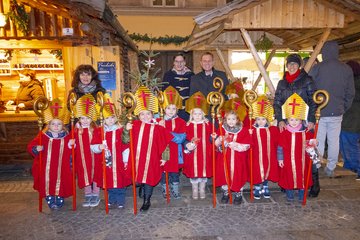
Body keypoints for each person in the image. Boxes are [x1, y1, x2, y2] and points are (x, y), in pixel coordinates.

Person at [273, 53, 319, 197]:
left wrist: (311, 119)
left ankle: (311, 185)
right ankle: (287, 182)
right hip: (287, 123)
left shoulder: (307, 80)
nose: (291, 66)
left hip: (303, 123)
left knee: (307, 153)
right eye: (289, 64)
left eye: (294, 64)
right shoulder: (282, 83)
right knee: (286, 153)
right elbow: (277, 102)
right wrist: (280, 119)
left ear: (299, 65)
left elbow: (313, 101)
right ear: (286, 66)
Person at [309, 41, 355, 178]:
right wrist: (343, 107)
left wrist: (313, 108)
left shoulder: (318, 68)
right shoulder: (346, 69)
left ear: (324, 52)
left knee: (319, 140)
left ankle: (316, 166)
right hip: (337, 111)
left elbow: (310, 88)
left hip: (320, 112)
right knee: (334, 141)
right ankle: (330, 168)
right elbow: (350, 92)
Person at [128, 86, 173, 212]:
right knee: (138, 176)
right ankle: (141, 186)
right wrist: (127, 130)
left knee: (149, 177)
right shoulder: (134, 125)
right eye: (142, 114)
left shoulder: (158, 127)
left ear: (152, 114)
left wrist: (164, 158)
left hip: (152, 158)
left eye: (148, 113)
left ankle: (147, 200)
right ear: (138, 115)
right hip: (137, 158)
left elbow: (165, 144)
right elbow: (126, 140)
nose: (146, 116)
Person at [27, 99, 72, 210]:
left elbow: (73, 153)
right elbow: (31, 145)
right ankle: (50, 198)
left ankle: (60, 197)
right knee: (48, 182)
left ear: (63, 125)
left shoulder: (67, 137)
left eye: (59, 124)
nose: (56, 126)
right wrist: (36, 148)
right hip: (47, 167)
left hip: (62, 167)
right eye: (53, 124)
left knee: (62, 182)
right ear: (48, 125)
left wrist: (72, 146)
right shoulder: (43, 136)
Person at [91, 94, 131, 209]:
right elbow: (93, 146)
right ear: (103, 118)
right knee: (108, 181)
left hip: (118, 161)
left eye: (112, 117)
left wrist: (125, 160)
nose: (110, 120)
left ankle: (120, 199)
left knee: (120, 181)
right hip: (105, 162)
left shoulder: (119, 130)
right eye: (107, 118)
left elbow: (126, 145)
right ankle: (111, 198)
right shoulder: (99, 131)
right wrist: (99, 147)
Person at [277, 93, 316, 202]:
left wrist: (312, 144)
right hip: (288, 161)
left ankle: (301, 194)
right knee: (288, 177)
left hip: (302, 161)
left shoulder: (305, 132)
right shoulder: (284, 132)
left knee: (302, 177)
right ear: (287, 120)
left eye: (297, 120)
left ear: (301, 120)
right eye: (291, 120)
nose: (294, 122)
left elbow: (310, 143)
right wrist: (280, 158)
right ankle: (289, 195)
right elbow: (280, 147)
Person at [214, 110, 251, 205]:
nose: (231, 121)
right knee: (224, 174)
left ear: (237, 120)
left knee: (238, 174)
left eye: (233, 119)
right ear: (225, 120)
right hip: (224, 157)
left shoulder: (243, 130)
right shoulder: (222, 129)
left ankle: (238, 193)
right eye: (228, 119)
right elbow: (216, 144)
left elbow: (247, 145)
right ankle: (226, 191)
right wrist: (219, 140)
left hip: (238, 158)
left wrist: (235, 145)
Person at [70, 94, 101, 208]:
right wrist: (71, 143)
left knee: (96, 174)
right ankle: (88, 194)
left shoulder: (95, 129)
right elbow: (70, 141)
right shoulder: (77, 130)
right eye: (82, 118)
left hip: (95, 157)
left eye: (88, 118)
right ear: (79, 118)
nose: (85, 121)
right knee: (85, 175)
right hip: (82, 158)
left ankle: (96, 194)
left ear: (92, 118)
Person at [158, 86, 187, 199]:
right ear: (164, 108)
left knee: (174, 173)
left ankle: (175, 190)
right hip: (162, 151)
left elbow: (181, 138)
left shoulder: (180, 122)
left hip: (175, 151)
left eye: (173, 108)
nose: (170, 111)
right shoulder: (159, 121)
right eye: (168, 108)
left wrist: (165, 131)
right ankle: (165, 190)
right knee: (163, 172)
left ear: (177, 109)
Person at [183, 92, 213, 200]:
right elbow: (185, 139)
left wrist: (213, 137)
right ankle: (195, 189)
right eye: (195, 114)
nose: (197, 116)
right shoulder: (188, 125)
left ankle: (202, 188)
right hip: (193, 153)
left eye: (199, 113)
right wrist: (188, 145)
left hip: (205, 152)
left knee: (203, 171)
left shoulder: (208, 124)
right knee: (194, 171)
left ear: (203, 114)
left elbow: (211, 137)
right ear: (191, 114)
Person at [249, 95, 279, 200]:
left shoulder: (272, 130)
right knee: (257, 170)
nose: (260, 121)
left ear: (267, 119)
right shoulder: (252, 130)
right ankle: (257, 187)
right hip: (256, 156)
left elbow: (277, 142)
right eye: (258, 119)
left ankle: (265, 185)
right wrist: (249, 134)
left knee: (267, 169)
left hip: (268, 155)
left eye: (263, 119)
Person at [339, 60, 360, 180]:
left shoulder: (353, 85)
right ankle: (350, 167)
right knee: (352, 146)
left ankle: (353, 169)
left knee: (350, 147)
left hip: (351, 122)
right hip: (353, 121)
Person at [162, 53, 194, 121]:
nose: (179, 64)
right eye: (177, 61)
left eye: (181, 61)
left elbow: (194, 92)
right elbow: (164, 92)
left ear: (184, 62)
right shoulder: (168, 75)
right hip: (173, 110)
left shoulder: (192, 75)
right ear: (173, 63)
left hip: (188, 109)